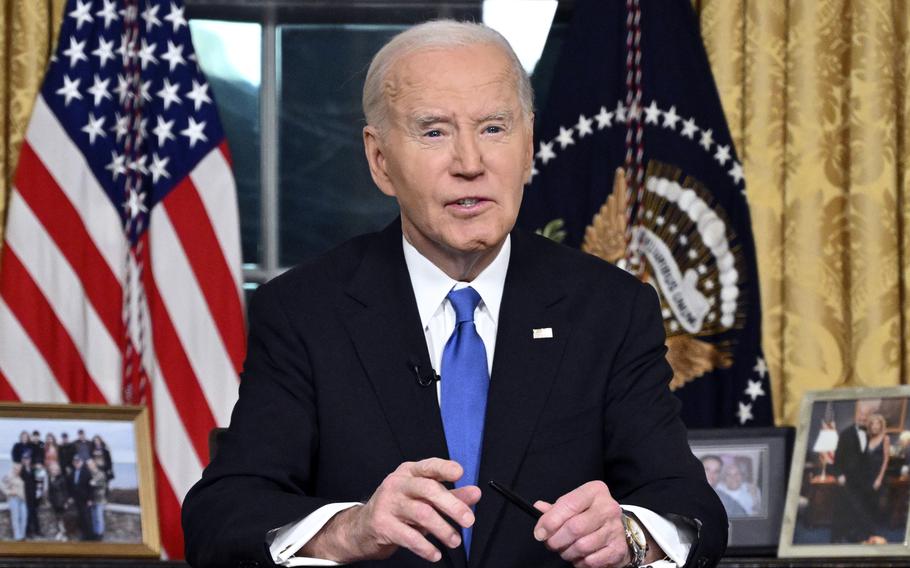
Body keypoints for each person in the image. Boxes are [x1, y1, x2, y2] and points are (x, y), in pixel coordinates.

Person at [182, 20, 727, 568]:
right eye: (435, 131)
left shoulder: (611, 308)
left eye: (494, 128)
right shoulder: (304, 311)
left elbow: (690, 507)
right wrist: (352, 529)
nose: (470, 163)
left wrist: (629, 534)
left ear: (530, 143)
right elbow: (221, 515)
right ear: (379, 160)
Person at [831, 400, 877, 542]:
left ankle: (857, 538)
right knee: (844, 511)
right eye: (860, 414)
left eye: (865, 415)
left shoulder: (872, 434)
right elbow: (837, 459)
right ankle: (836, 539)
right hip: (848, 481)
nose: (862, 417)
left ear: (869, 417)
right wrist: (839, 475)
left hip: (864, 482)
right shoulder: (845, 434)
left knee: (862, 511)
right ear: (855, 415)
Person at [66, 454, 95, 541]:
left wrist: (90, 499)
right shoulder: (72, 473)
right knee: (80, 518)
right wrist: (70, 497)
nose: (76, 463)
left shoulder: (87, 472)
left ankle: (90, 537)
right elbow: (69, 487)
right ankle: (83, 536)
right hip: (76, 499)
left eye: (78, 461)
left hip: (85, 499)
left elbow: (91, 487)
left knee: (87, 518)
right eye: (75, 462)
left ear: (81, 462)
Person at [2, 463, 27, 541]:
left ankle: (22, 535)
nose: (17, 470)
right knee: (15, 517)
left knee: (24, 517)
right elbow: (2, 485)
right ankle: (17, 536)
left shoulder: (21, 477)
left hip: (23, 500)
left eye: (19, 469)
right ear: (13, 468)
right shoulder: (9, 476)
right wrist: (9, 492)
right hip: (14, 499)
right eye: (16, 468)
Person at [20, 452, 42, 538]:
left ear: (30, 460)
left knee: (35, 513)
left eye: (28, 459)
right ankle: (28, 532)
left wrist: (38, 493)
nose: (26, 460)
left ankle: (37, 531)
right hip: (25, 496)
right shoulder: (21, 470)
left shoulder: (33, 469)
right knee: (27, 514)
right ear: (23, 460)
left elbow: (38, 481)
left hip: (33, 495)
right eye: (25, 459)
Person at [46, 461, 69, 541]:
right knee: (57, 518)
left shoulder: (62, 478)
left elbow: (66, 491)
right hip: (54, 502)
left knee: (63, 519)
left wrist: (66, 502)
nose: (54, 471)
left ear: (58, 470)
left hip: (61, 502)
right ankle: (60, 532)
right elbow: (50, 491)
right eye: (52, 470)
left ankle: (64, 534)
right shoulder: (50, 478)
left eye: (55, 470)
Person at [87, 457, 107, 540]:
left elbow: (99, 484)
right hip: (92, 499)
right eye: (88, 465)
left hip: (100, 499)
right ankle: (96, 534)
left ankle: (100, 534)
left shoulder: (100, 474)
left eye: (91, 464)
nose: (89, 466)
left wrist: (93, 483)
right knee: (94, 518)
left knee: (99, 518)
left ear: (94, 464)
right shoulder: (89, 474)